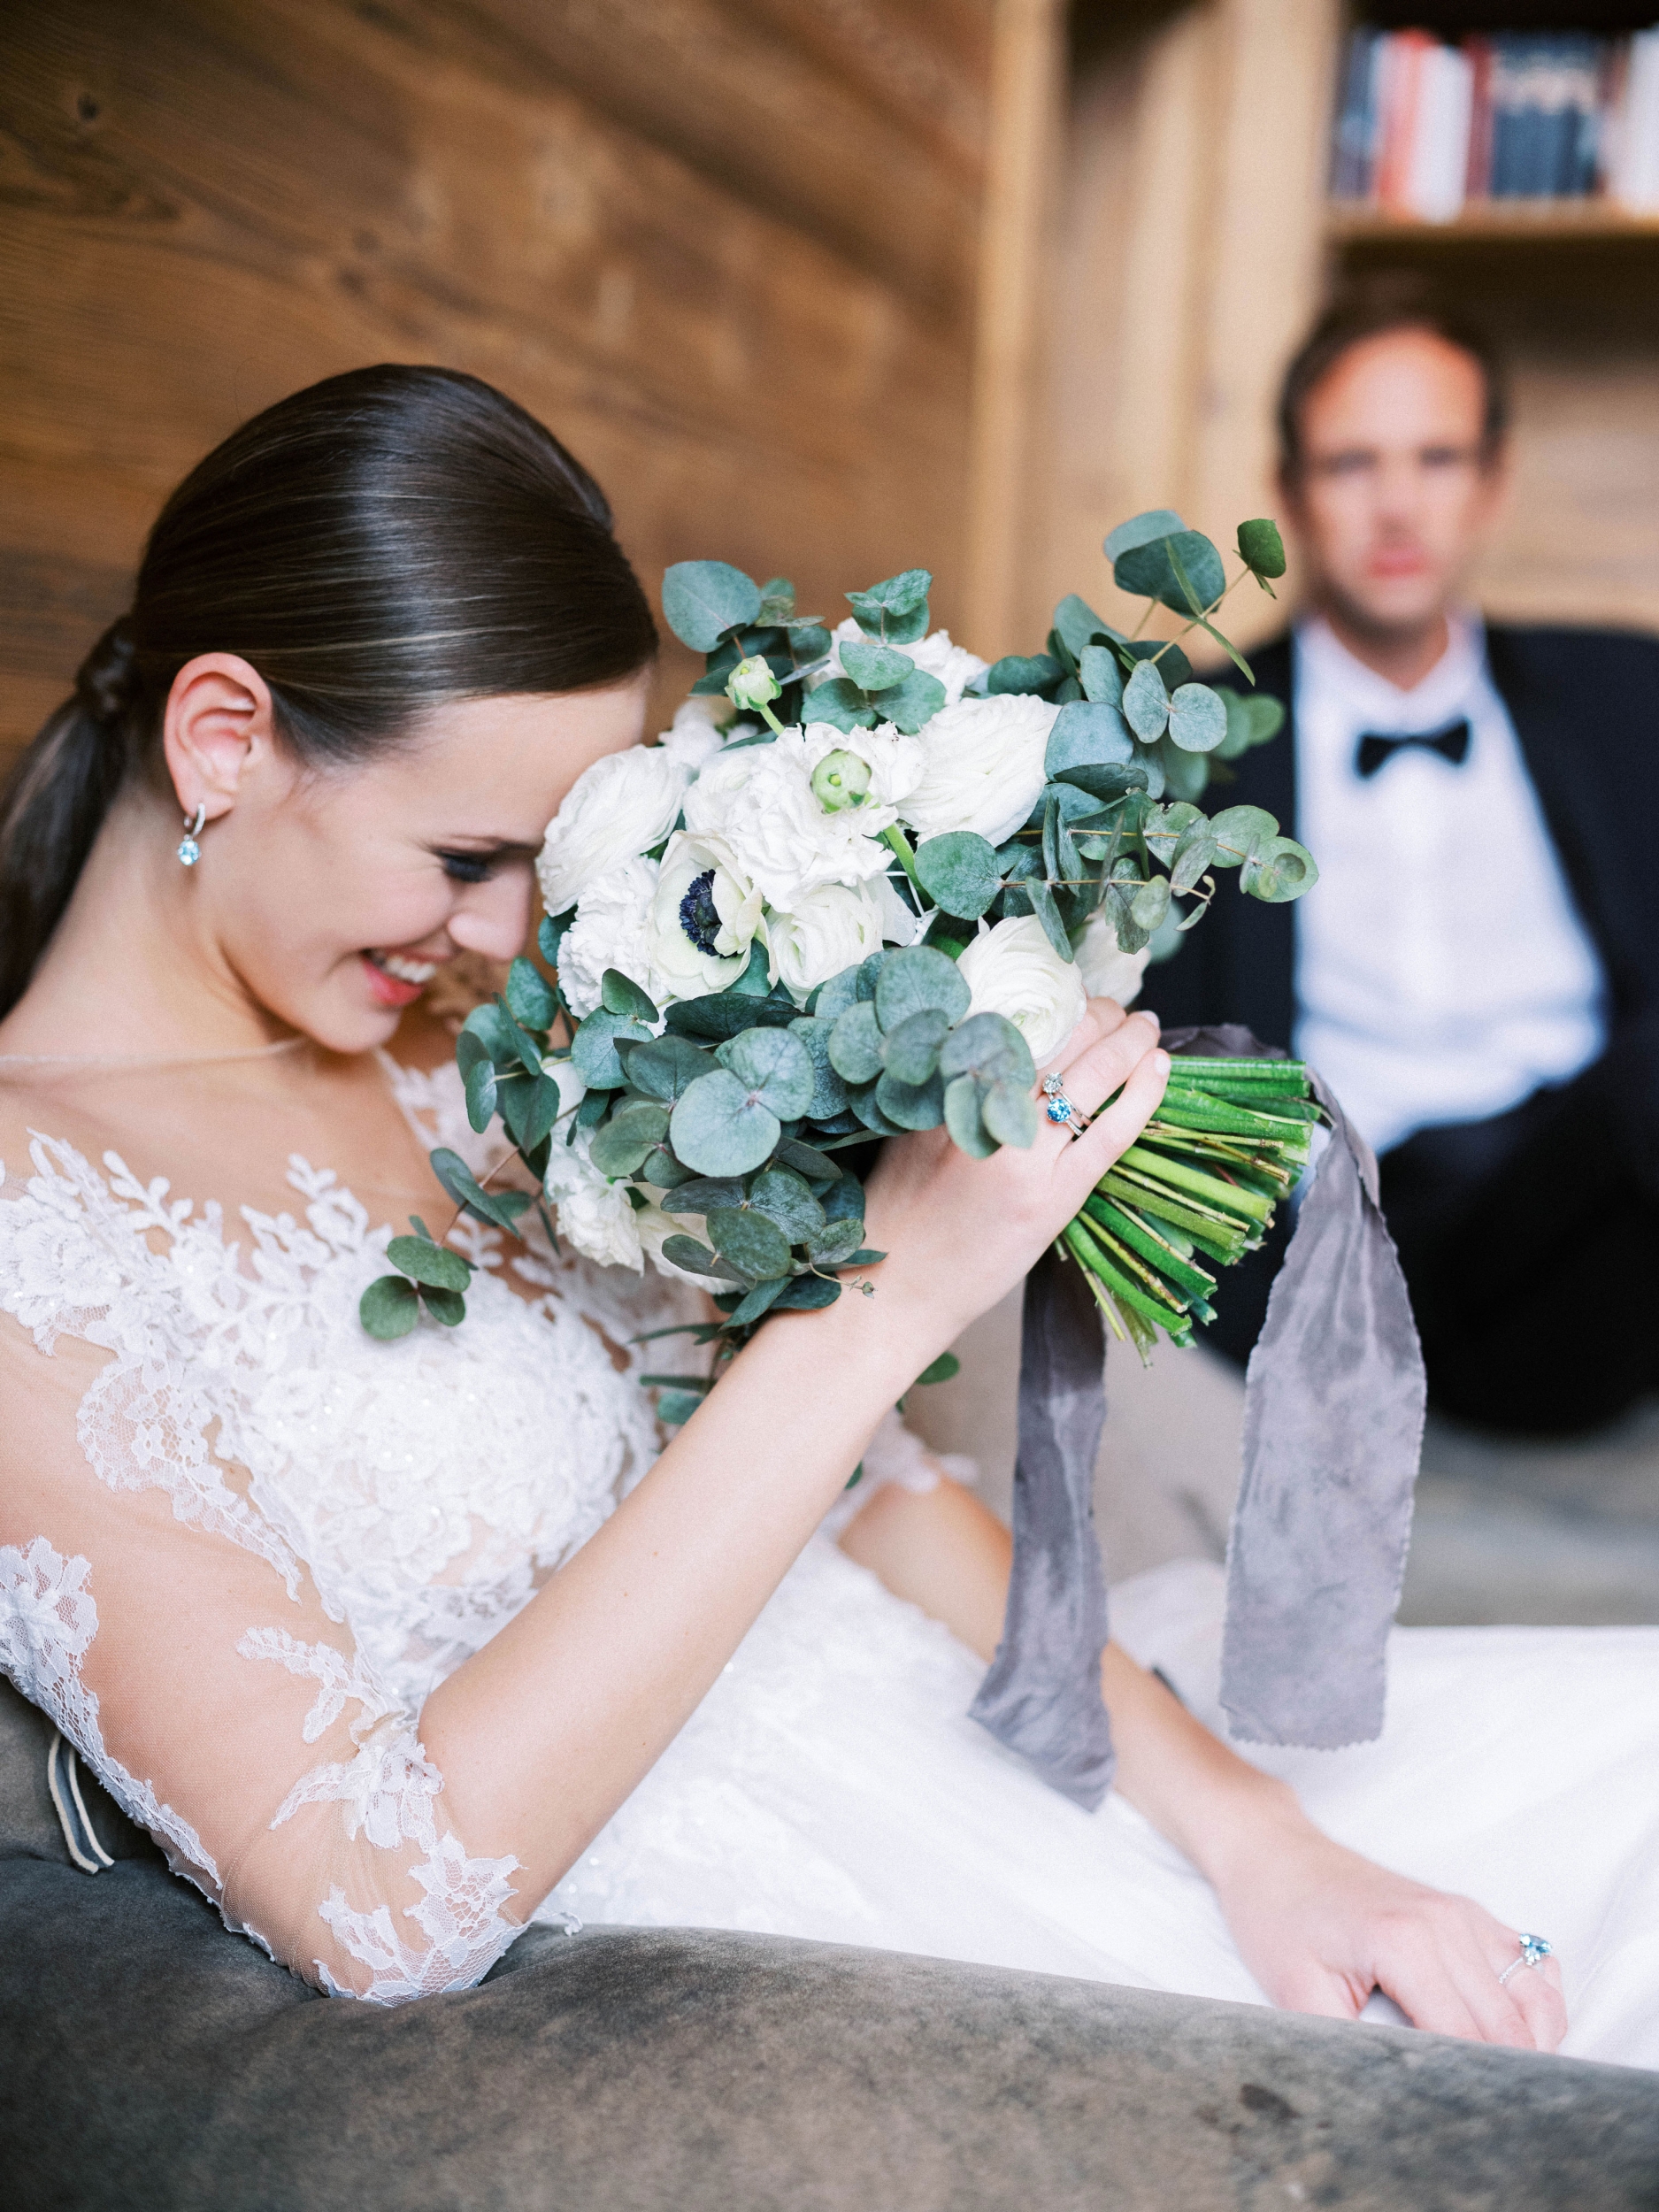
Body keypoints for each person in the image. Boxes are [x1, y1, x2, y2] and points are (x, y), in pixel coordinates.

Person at [2, 364, 1651, 2067]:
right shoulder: (24, 1234)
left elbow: (872, 1501)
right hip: (802, 1938)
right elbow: (375, 1899)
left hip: (992, 1714)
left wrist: (1263, 1843)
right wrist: (886, 1301)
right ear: (224, 739)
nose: (505, 942)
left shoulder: (460, 1061)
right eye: (467, 855)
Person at [1144, 287, 1659, 1437]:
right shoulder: (1186, 738)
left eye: (1434, 458)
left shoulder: (1629, 696)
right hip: (1359, 1230)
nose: (1395, 507)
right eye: (1349, 464)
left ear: (1493, 480)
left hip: (1590, 1195)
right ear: (1286, 494)